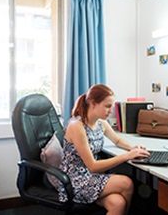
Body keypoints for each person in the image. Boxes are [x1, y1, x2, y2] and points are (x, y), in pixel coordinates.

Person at [58, 84, 150, 215]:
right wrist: (128, 155)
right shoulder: (76, 126)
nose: (111, 110)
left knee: (118, 203)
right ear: (93, 103)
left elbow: (117, 140)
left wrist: (133, 147)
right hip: (75, 181)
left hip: (91, 178)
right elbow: (93, 166)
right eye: (107, 106)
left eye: (112, 106)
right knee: (127, 183)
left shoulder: (101, 123)